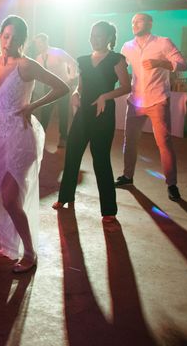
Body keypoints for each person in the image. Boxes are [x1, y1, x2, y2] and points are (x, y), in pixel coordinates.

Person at [0, 15, 68, 273]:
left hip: (20, 137)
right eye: (5, 36)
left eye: (14, 37)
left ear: (23, 40)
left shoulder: (27, 65)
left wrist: (32, 105)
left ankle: (30, 252)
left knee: (10, 198)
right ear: (0, 36)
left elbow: (62, 87)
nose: (8, 42)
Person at [52, 21, 131, 221]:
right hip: (83, 113)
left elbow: (126, 86)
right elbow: (80, 86)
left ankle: (109, 211)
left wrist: (105, 96)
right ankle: (65, 196)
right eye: (92, 35)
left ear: (108, 38)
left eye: (99, 36)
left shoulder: (117, 59)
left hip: (103, 114)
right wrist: (75, 94)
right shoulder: (83, 60)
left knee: (101, 160)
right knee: (72, 155)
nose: (94, 39)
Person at [115, 13, 187, 201]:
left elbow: (183, 64)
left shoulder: (163, 42)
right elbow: (120, 69)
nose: (134, 24)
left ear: (149, 23)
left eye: (138, 21)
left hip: (158, 99)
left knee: (164, 143)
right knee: (129, 140)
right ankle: (127, 176)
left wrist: (161, 62)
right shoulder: (127, 46)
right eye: (132, 21)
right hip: (135, 100)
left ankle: (172, 184)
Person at [33, 33, 78, 147]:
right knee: (45, 113)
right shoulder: (38, 58)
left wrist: (71, 78)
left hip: (63, 86)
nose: (39, 45)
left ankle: (63, 138)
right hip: (48, 87)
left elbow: (72, 62)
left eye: (41, 42)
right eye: (37, 43)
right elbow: (39, 74)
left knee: (63, 113)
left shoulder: (57, 52)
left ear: (46, 41)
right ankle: (40, 137)